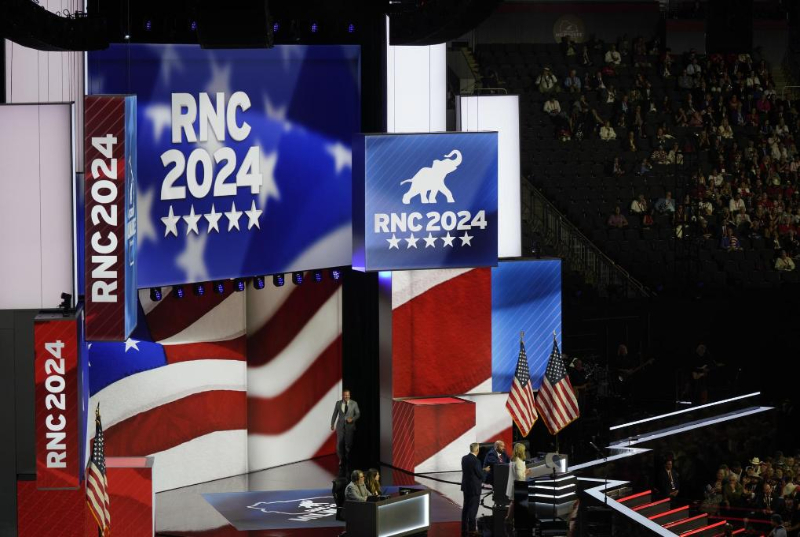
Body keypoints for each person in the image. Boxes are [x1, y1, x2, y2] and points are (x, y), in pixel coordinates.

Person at [331, 389, 361, 476]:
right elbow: (334, 414)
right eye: (345, 395)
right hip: (340, 427)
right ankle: (341, 459)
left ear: (349, 395)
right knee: (339, 444)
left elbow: (358, 414)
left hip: (350, 427)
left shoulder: (354, 403)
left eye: (348, 395)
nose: (346, 396)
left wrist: (352, 419)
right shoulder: (338, 403)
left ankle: (348, 458)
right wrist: (332, 424)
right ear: (342, 395)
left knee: (348, 444)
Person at [462, 443, 489, 536]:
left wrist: (481, 470)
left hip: (466, 487)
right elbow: (480, 475)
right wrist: (485, 471)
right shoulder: (476, 461)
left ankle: (464, 527)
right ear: (477, 450)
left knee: (466, 507)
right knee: (473, 509)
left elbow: (471, 471)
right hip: (474, 488)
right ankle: (472, 529)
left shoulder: (464, 458)